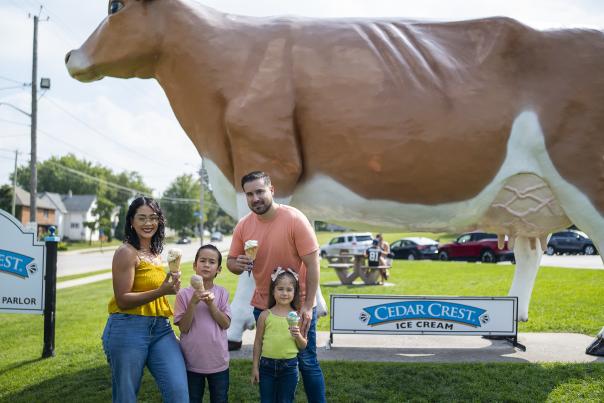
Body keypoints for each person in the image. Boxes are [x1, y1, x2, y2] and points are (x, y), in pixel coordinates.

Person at [227, 171, 326, 403]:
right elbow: (232, 263)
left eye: (260, 191)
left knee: (307, 362)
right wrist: (237, 263)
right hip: (263, 307)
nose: (255, 198)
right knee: (270, 363)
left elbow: (313, 264)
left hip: (297, 308)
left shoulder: (294, 219)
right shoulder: (243, 226)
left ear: (271, 190)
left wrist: (308, 306)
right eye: (249, 194)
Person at [101, 196, 188, 403]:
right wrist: (161, 291)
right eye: (142, 218)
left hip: (160, 329)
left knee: (179, 393)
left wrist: (172, 287)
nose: (148, 223)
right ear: (131, 221)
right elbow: (123, 300)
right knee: (126, 397)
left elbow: (158, 290)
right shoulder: (126, 252)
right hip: (127, 329)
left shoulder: (155, 253)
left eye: (153, 218)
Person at [174, 244, 232, 403]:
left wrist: (211, 305)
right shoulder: (183, 295)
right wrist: (192, 303)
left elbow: (225, 323)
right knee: (193, 399)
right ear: (194, 265)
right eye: (203, 260)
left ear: (218, 269)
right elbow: (184, 328)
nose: (207, 265)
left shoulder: (222, 293)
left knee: (220, 399)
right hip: (191, 362)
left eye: (212, 262)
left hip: (218, 361)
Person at [251, 268, 307, 403]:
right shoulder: (265, 315)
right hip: (266, 366)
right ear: (273, 291)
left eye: (289, 289)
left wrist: (298, 335)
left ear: (295, 292)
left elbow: (303, 345)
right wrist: (255, 367)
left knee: (285, 400)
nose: (284, 293)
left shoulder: (298, 316)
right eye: (280, 289)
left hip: (289, 367)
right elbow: (258, 342)